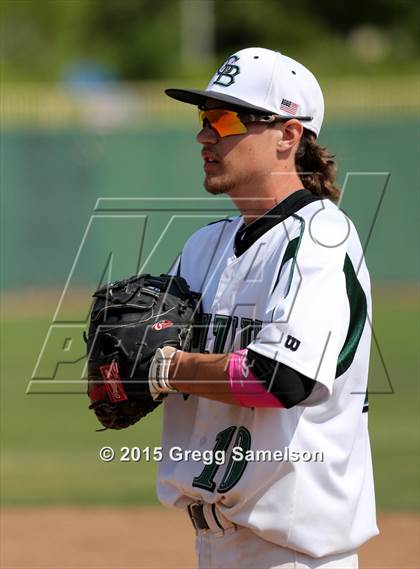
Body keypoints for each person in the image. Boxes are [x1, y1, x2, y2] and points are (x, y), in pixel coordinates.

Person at [149, 47, 378, 569]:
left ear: (287, 135)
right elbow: (155, 360)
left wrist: (166, 368)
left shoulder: (321, 237)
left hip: (292, 553)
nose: (206, 135)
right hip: (215, 543)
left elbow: (281, 378)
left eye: (226, 118)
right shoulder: (204, 245)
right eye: (203, 117)